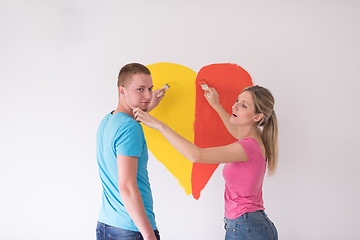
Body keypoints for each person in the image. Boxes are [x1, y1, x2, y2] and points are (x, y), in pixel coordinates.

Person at [133, 85, 279, 240]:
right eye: (237, 101)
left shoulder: (246, 147)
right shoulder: (257, 138)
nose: (234, 106)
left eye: (243, 106)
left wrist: (159, 125)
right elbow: (236, 131)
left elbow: (197, 155)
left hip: (246, 228)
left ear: (257, 117)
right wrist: (216, 104)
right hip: (252, 226)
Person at [96, 63, 166, 240]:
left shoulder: (108, 121)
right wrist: (149, 235)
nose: (148, 95)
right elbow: (127, 186)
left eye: (150, 88)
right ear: (122, 91)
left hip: (106, 225)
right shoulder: (130, 128)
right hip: (131, 229)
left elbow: (129, 122)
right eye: (140, 89)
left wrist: (149, 107)